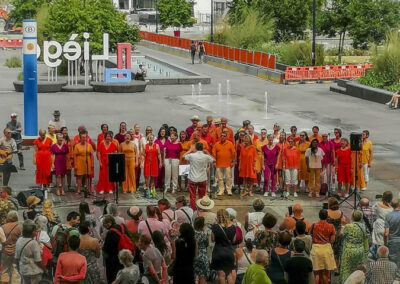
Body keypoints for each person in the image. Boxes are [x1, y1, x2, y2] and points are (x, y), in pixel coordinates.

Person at [183, 142, 214, 210]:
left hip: (193, 178)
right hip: (202, 178)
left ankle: (193, 210)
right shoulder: (206, 156)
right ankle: (201, 209)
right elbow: (213, 160)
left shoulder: (191, 155)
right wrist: (207, 153)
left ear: (196, 148)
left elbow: (183, 157)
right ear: (202, 148)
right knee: (202, 196)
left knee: (192, 196)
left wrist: (190, 150)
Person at [15, 220, 46, 284]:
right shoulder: (33, 243)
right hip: (34, 272)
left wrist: (18, 268)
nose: (36, 232)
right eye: (35, 231)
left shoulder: (19, 240)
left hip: (23, 270)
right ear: (31, 232)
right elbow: (38, 260)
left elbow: (16, 258)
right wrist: (45, 269)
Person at [310, 209, 337, 284]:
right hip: (326, 250)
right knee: (325, 275)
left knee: (316, 275)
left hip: (316, 250)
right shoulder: (331, 226)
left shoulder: (314, 225)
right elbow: (332, 240)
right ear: (327, 216)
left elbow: (310, 235)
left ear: (319, 216)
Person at [340, 210, 366, 283]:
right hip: (360, 251)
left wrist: (343, 225)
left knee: (346, 270)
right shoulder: (363, 226)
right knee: (357, 270)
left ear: (352, 217)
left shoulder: (348, 226)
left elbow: (341, 235)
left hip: (349, 251)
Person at [211, 209, 236, 284]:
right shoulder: (233, 227)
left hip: (218, 253)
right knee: (229, 274)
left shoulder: (215, 227)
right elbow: (234, 240)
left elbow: (213, 239)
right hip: (229, 253)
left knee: (221, 275)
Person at [102, 215, 125, 283]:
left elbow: (106, 248)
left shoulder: (110, 233)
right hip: (122, 255)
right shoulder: (121, 226)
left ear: (110, 222)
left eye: (106, 223)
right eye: (104, 223)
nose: (105, 225)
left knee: (113, 278)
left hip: (113, 260)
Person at [0, 211, 22, 283]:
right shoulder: (19, 227)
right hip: (16, 251)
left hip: (5, 251)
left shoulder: (3, 227)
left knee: (5, 270)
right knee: (15, 270)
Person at [212, 131, 236, 196]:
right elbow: (213, 154)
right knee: (220, 178)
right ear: (220, 136)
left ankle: (229, 190)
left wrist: (233, 162)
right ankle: (221, 190)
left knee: (228, 177)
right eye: (221, 136)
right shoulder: (216, 144)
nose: (222, 137)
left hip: (228, 164)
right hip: (219, 164)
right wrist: (214, 162)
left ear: (226, 137)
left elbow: (233, 153)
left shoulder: (230, 144)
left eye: (224, 136)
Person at [326, 197, 346, 271]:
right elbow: (343, 221)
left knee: (329, 250)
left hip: (329, 234)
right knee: (338, 251)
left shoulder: (327, 212)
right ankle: (337, 267)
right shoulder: (340, 212)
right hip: (338, 234)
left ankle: (329, 266)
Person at [194, 217, 210, 284]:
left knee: (194, 275)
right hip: (203, 255)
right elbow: (207, 244)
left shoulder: (192, 233)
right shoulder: (204, 233)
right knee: (202, 275)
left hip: (194, 255)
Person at [384, 198, 400, 267]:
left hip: (392, 242)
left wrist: (385, 243)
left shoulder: (388, 216)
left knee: (393, 263)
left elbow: (386, 233)